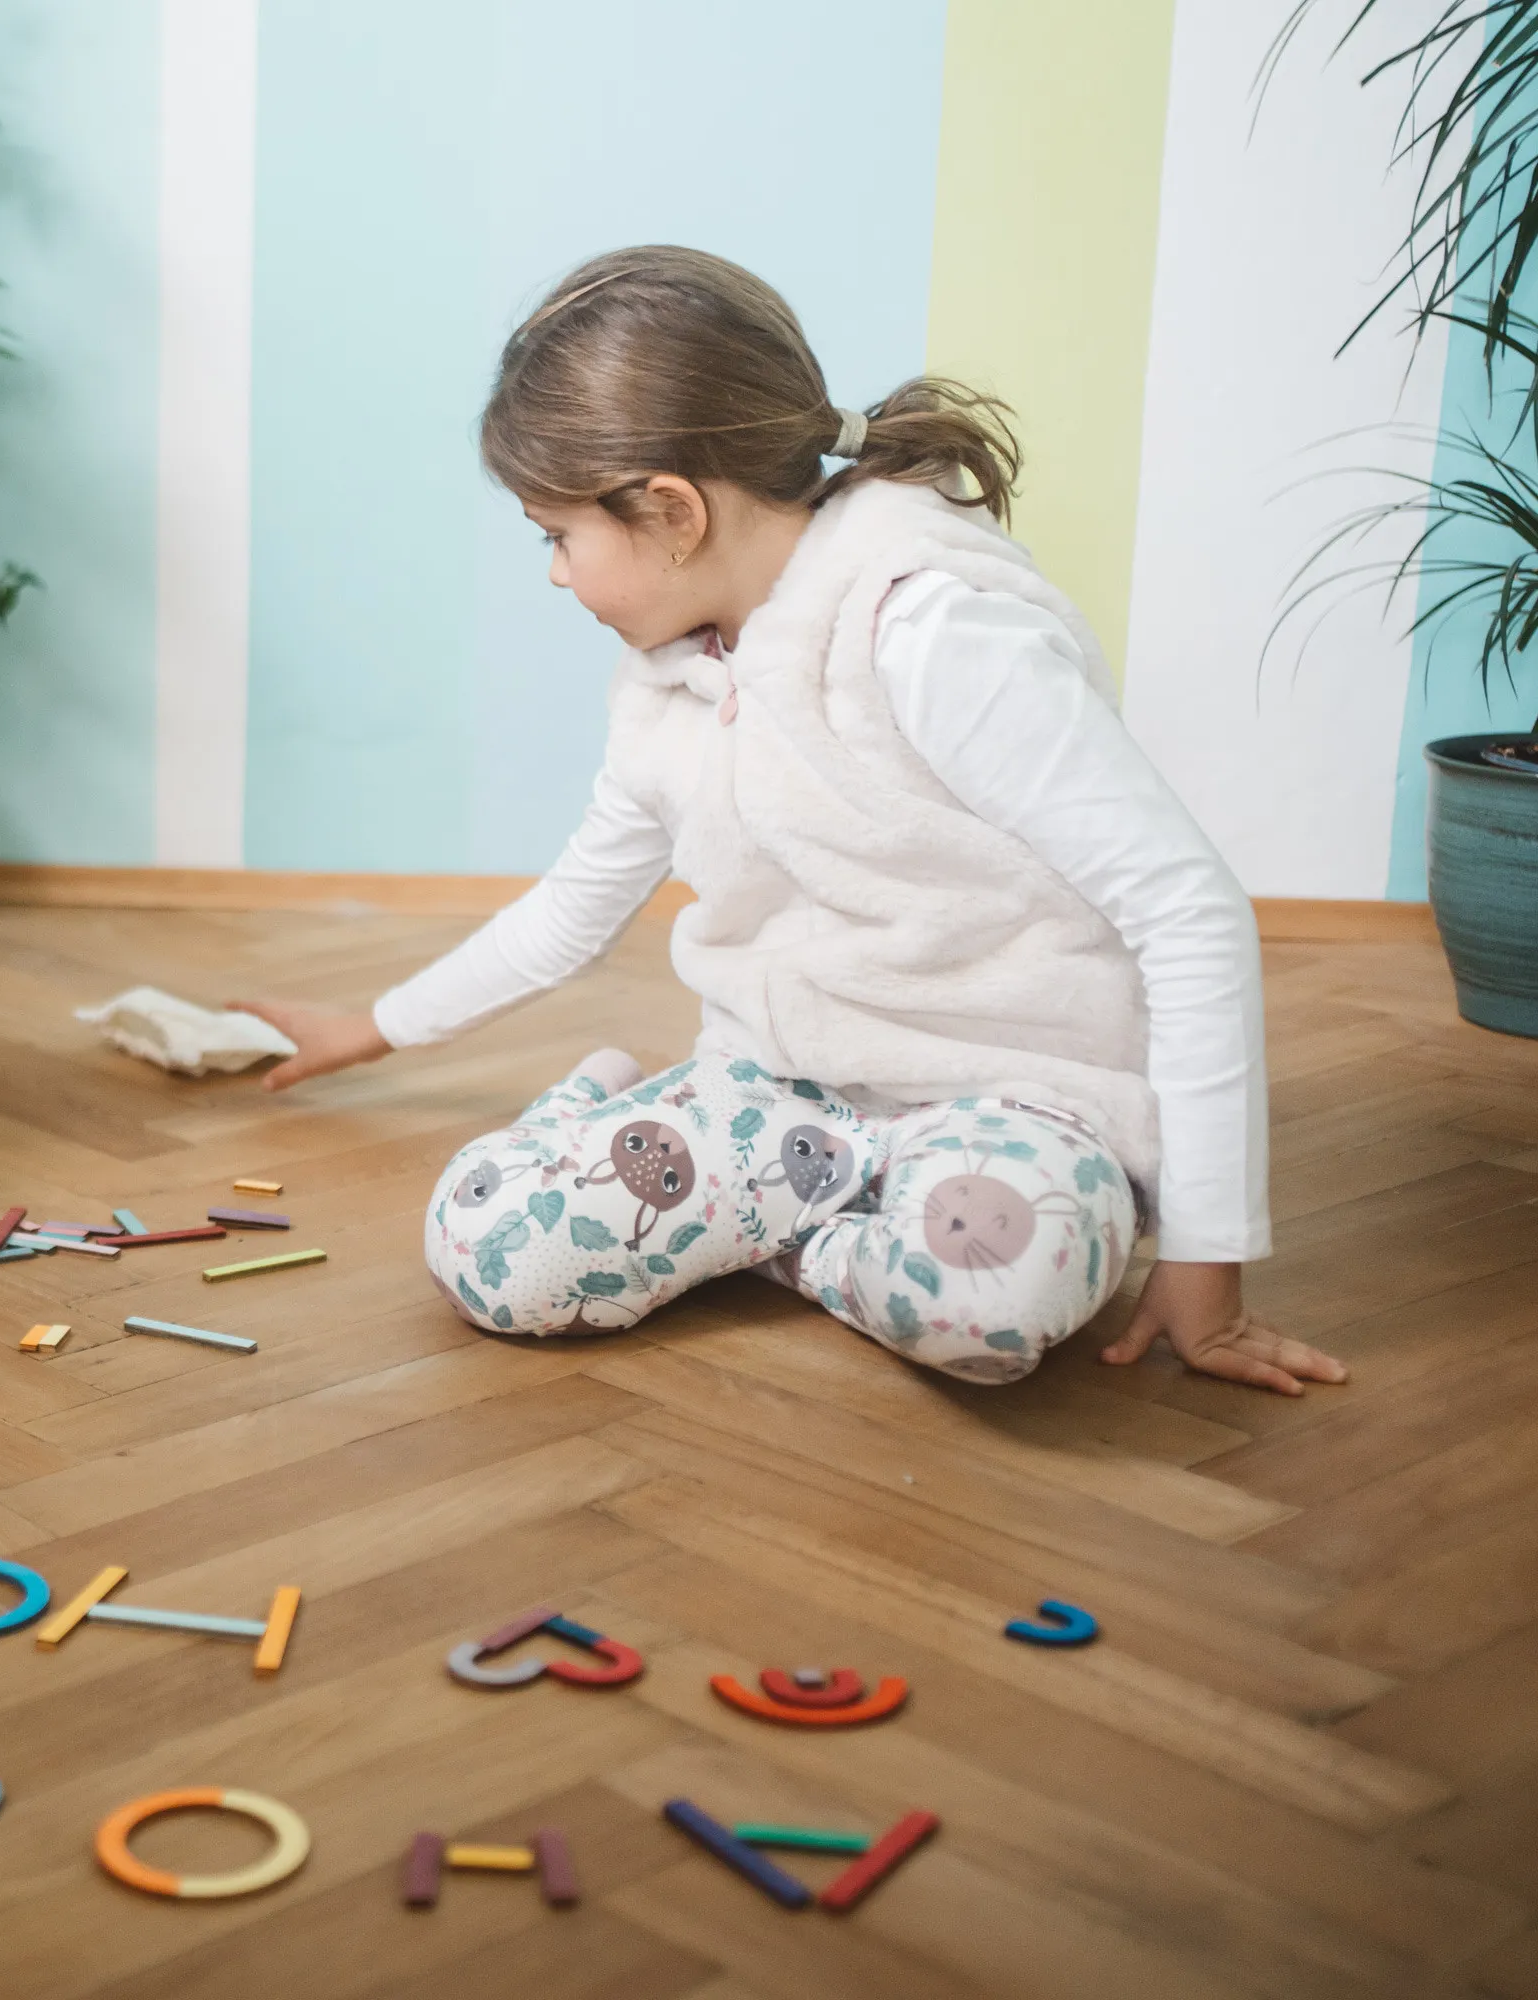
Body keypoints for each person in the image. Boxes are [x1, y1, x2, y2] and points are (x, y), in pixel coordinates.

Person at [241, 246, 1345, 1396]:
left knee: (994, 1301)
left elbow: (1188, 906)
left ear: (669, 511)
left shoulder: (930, 634)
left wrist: (1208, 1257)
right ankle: (781, 1199)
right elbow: (573, 907)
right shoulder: (667, 689)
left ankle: (757, 1225)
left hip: (1016, 1099)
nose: (558, 575)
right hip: (779, 1095)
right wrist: (368, 1025)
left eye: (556, 535)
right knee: (484, 1245)